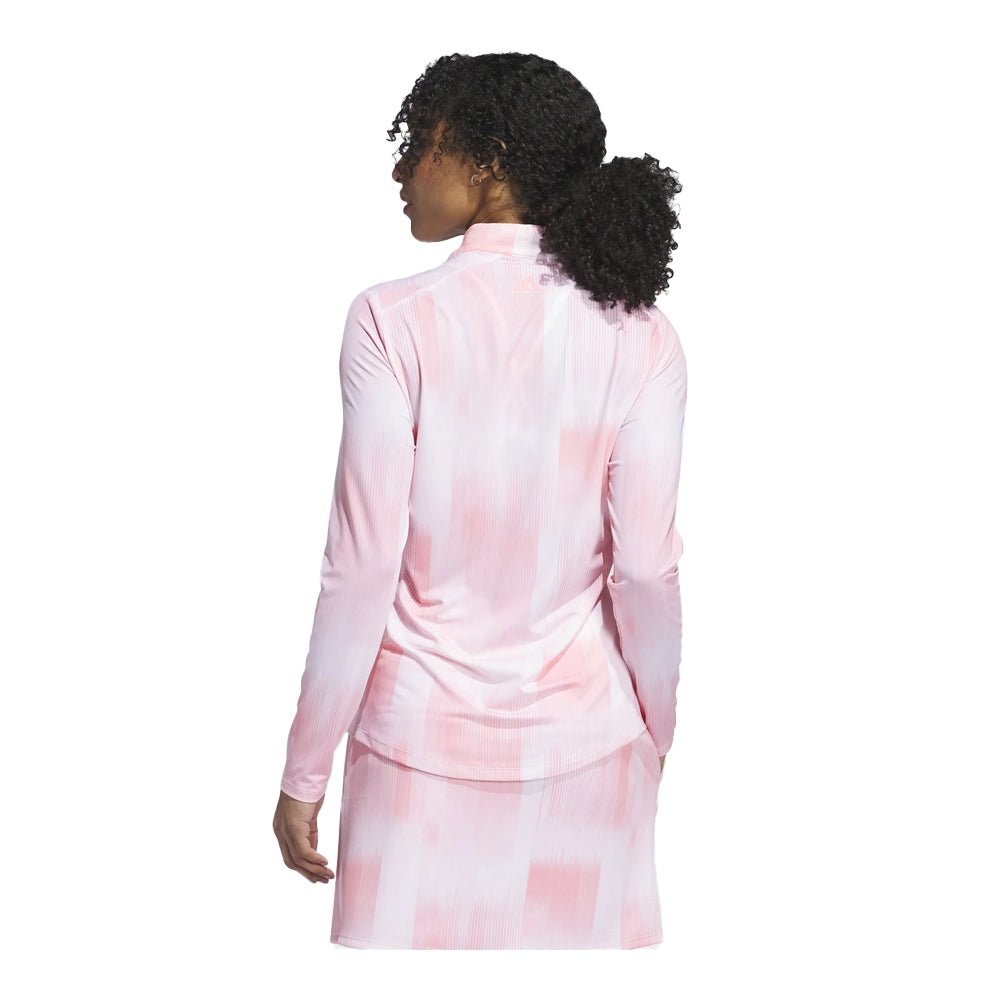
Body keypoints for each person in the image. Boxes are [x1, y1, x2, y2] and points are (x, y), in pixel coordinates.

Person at [272, 51, 687, 950]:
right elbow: (647, 569)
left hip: (412, 766)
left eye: (421, 141)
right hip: (593, 760)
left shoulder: (391, 320)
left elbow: (362, 567)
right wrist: (654, 728)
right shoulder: (644, 335)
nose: (401, 168)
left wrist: (305, 771)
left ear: (490, 160)